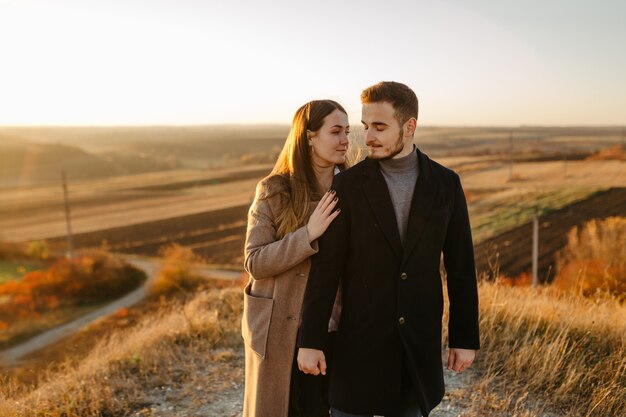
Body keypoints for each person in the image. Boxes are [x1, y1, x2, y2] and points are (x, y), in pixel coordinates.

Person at [297, 82, 480, 417]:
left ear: (409, 127)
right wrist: (310, 339)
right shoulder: (348, 185)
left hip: (417, 349)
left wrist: (464, 337)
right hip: (359, 347)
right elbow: (327, 268)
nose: (368, 138)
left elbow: (461, 267)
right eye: (366, 127)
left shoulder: (446, 184)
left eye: (380, 128)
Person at [242, 99, 350, 417]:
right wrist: (307, 234)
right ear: (309, 137)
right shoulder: (274, 191)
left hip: (334, 329)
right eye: (335, 131)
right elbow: (255, 262)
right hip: (279, 330)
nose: (345, 139)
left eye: (347, 130)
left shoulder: (355, 191)